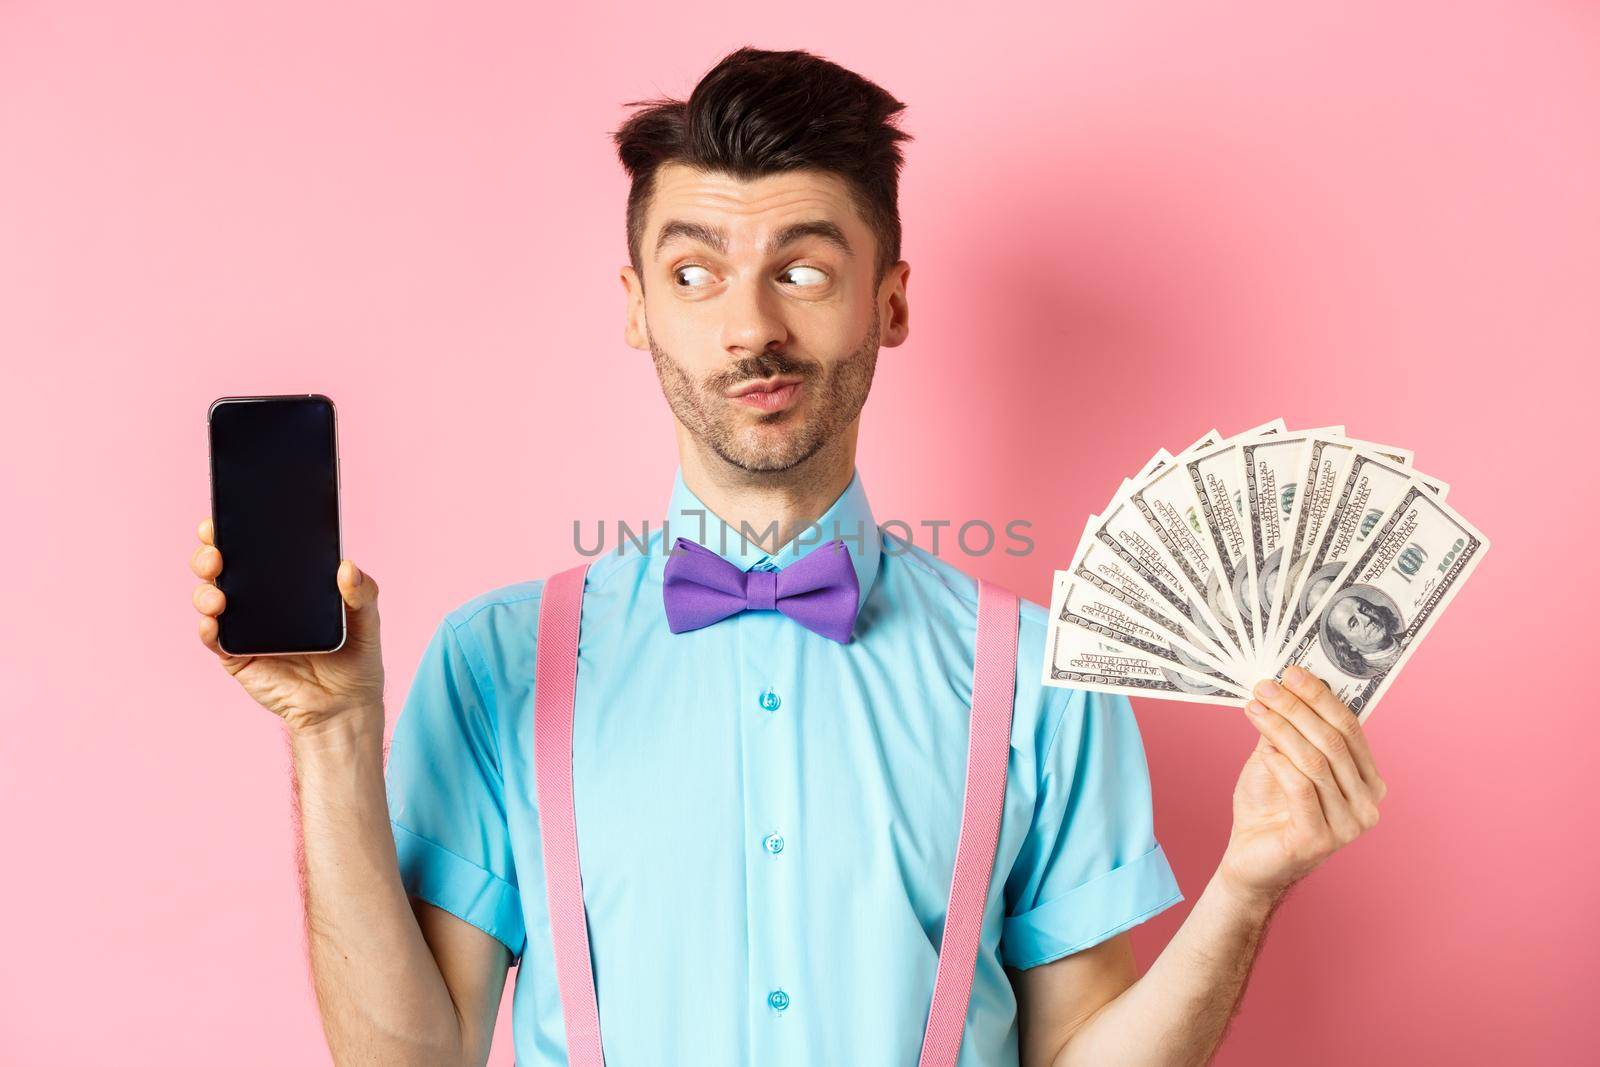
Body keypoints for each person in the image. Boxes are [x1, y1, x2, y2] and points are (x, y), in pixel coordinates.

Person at [188, 46, 1387, 1067]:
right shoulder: (496, 657)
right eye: (694, 273)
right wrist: (330, 735)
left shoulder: (1041, 672)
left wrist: (1247, 883)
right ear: (637, 306)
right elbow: (413, 1053)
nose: (750, 324)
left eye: (803, 270)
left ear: (890, 301)